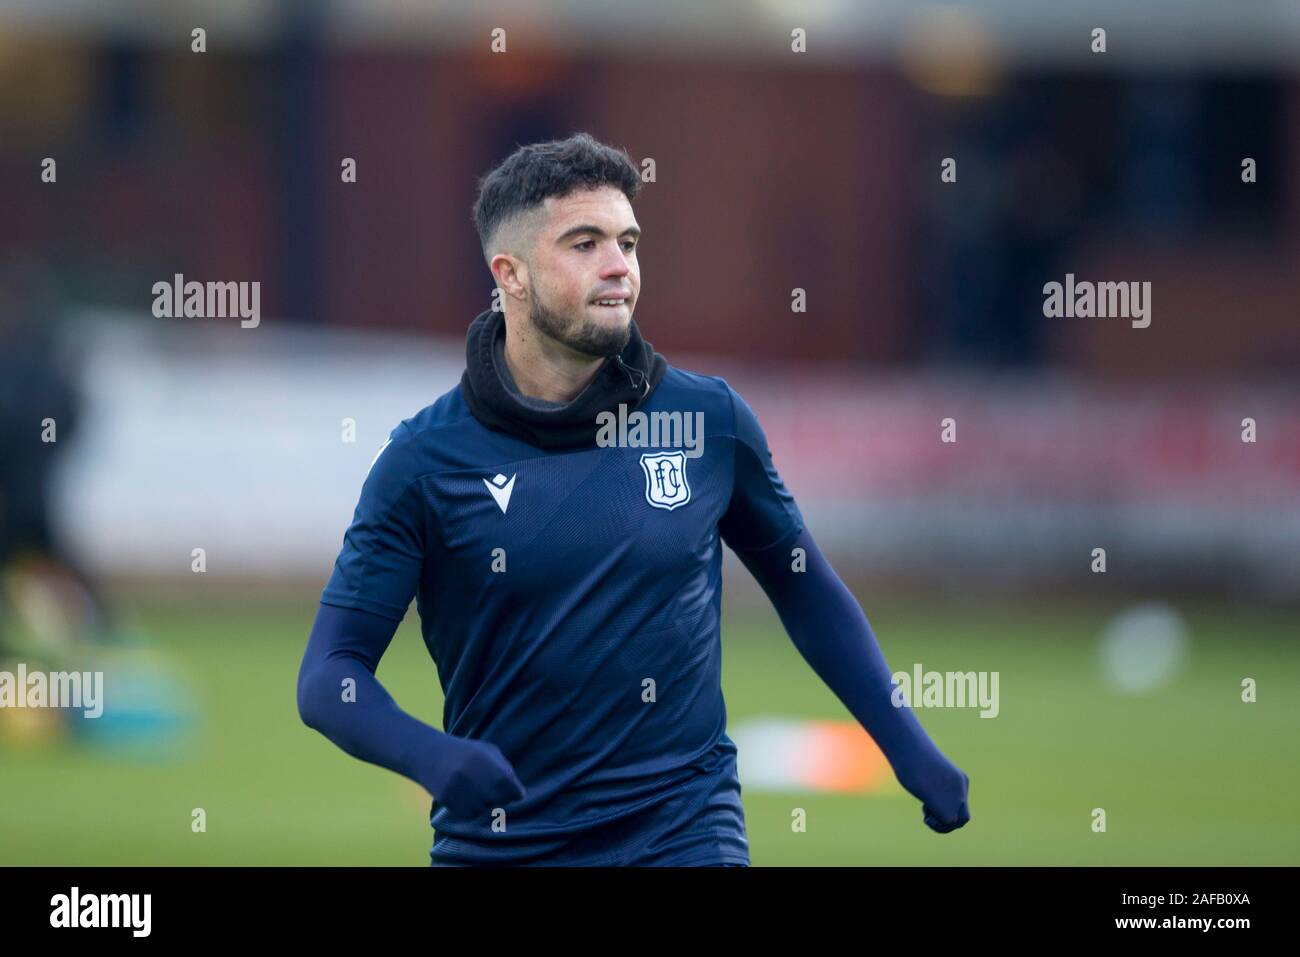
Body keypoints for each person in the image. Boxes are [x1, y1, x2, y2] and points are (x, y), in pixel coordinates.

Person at [296, 133, 970, 866]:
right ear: (510, 274)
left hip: (685, 831)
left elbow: (805, 589)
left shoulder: (709, 421)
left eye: (627, 241)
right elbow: (330, 675)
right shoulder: (425, 461)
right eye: (584, 244)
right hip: (500, 843)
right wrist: (432, 756)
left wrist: (908, 743)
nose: (619, 265)